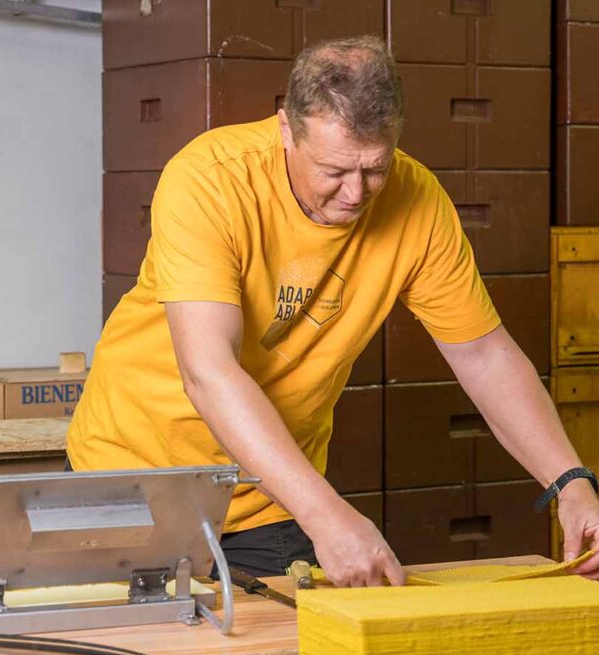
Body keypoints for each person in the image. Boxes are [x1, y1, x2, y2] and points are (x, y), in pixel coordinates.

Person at [68, 35, 599, 586]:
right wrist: (327, 514)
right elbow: (209, 370)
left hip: (269, 497)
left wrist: (571, 482)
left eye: (375, 169)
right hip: (127, 480)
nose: (355, 193)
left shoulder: (419, 202)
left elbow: (484, 355)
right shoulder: (210, 179)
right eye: (334, 170)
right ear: (285, 131)